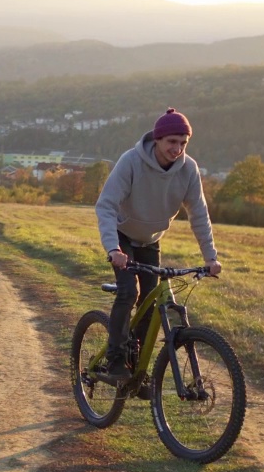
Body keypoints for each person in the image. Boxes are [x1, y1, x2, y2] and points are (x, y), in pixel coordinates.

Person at [95, 108, 222, 393]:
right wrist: (113, 248)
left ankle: (137, 372)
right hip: (122, 235)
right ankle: (116, 362)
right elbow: (105, 205)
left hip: (151, 239)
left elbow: (198, 213)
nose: (177, 149)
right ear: (158, 138)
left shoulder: (188, 169)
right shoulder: (131, 161)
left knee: (152, 305)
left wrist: (210, 257)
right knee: (130, 291)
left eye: (183, 143)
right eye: (172, 142)